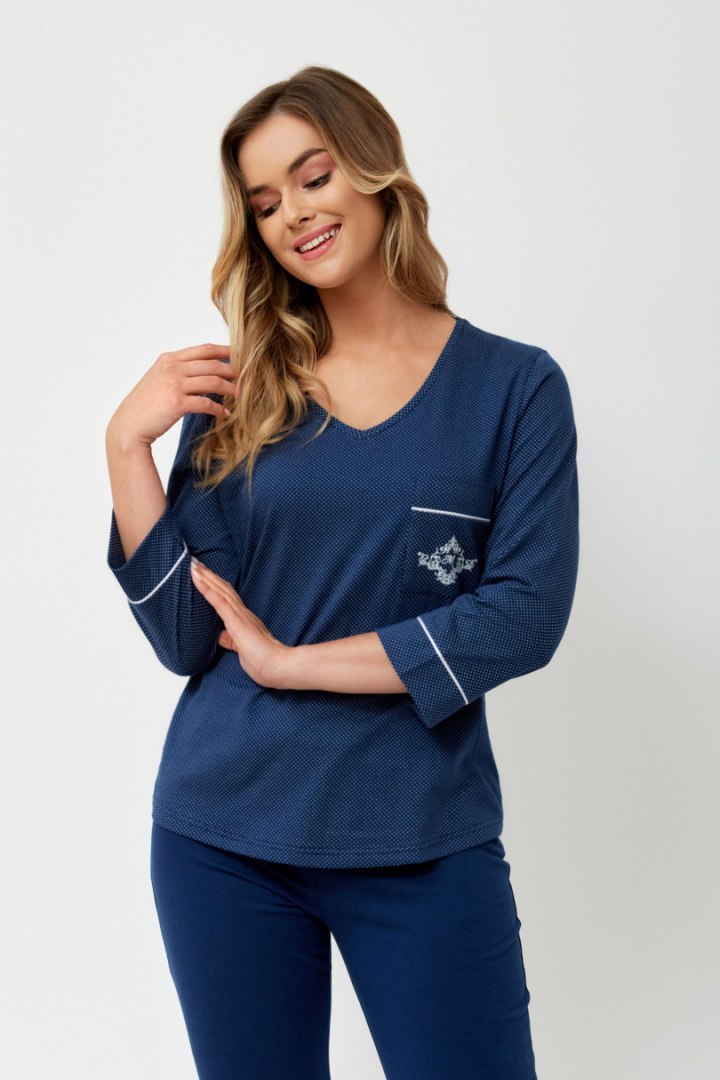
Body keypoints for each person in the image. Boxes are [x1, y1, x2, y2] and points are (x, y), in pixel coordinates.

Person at [105, 65, 579, 1080]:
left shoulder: (513, 389)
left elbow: (522, 618)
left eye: (312, 177)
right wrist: (125, 449)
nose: (293, 214)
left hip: (421, 834)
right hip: (223, 836)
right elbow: (186, 638)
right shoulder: (245, 388)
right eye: (264, 202)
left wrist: (294, 664)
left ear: (374, 171)